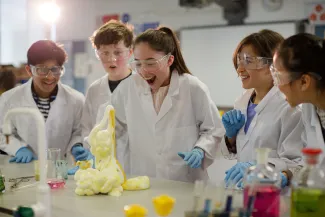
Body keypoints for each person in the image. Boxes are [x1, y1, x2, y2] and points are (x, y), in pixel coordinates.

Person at [110, 26, 225, 182]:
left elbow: (213, 129)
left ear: (169, 60)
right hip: (142, 181)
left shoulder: (192, 87)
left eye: (151, 63)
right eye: (138, 64)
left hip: (185, 182)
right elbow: (112, 130)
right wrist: (95, 154)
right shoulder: (127, 89)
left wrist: (201, 149)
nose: (144, 71)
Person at [221, 30, 304, 188]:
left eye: (248, 61)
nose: (239, 69)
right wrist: (230, 137)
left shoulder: (290, 107)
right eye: (239, 61)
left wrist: (259, 167)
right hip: (242, 189)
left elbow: (294, 163)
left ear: (272, 65)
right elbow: (241, 148)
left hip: (273, 192)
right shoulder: (241, 102)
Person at [0, 40, 85, 163]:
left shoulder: (76, 100)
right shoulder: (9, 99)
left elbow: (79, 132)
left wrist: (76, 146)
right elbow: (2, 133)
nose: (50, 77)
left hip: (60, 171)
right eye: (42, 70)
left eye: (55, 69)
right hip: (24, 170)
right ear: (29, 70)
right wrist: (18, 148)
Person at [75, 20, 134, 162]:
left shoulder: (142, 86)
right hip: (101, 165)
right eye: (105, 53)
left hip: (135, 165)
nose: (111, 59)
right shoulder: (95, 89)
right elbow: (87, 128)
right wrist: (88, 152)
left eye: (118, 52)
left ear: (130, 52)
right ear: (97, 54)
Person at [272, 33, 325, 173]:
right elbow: (310, 163)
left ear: (304, 82)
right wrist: (288, 174)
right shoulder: (310, 108)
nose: (277, 85)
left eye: (278, 77)